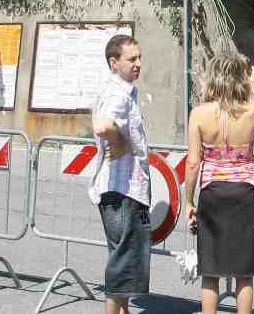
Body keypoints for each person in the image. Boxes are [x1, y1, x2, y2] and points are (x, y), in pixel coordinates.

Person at [182, 53, 254, 314]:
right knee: (245, 273)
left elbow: (194, 163)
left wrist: (188, 200)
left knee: (211, 270)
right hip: (244, 191)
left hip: (213, 192)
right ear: (242, 78)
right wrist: (253, 87)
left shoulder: (199, 113)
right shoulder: (253, 112)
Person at [90, 35, 151, 314]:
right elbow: (104, 126)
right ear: (114, 63)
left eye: (139, 57)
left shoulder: (119, 89)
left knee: (121, 257)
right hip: (123, 189)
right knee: (123, 260)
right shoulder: (118, 94)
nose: (138, 63)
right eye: (132, 59)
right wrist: (119, 142)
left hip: (117, 188)